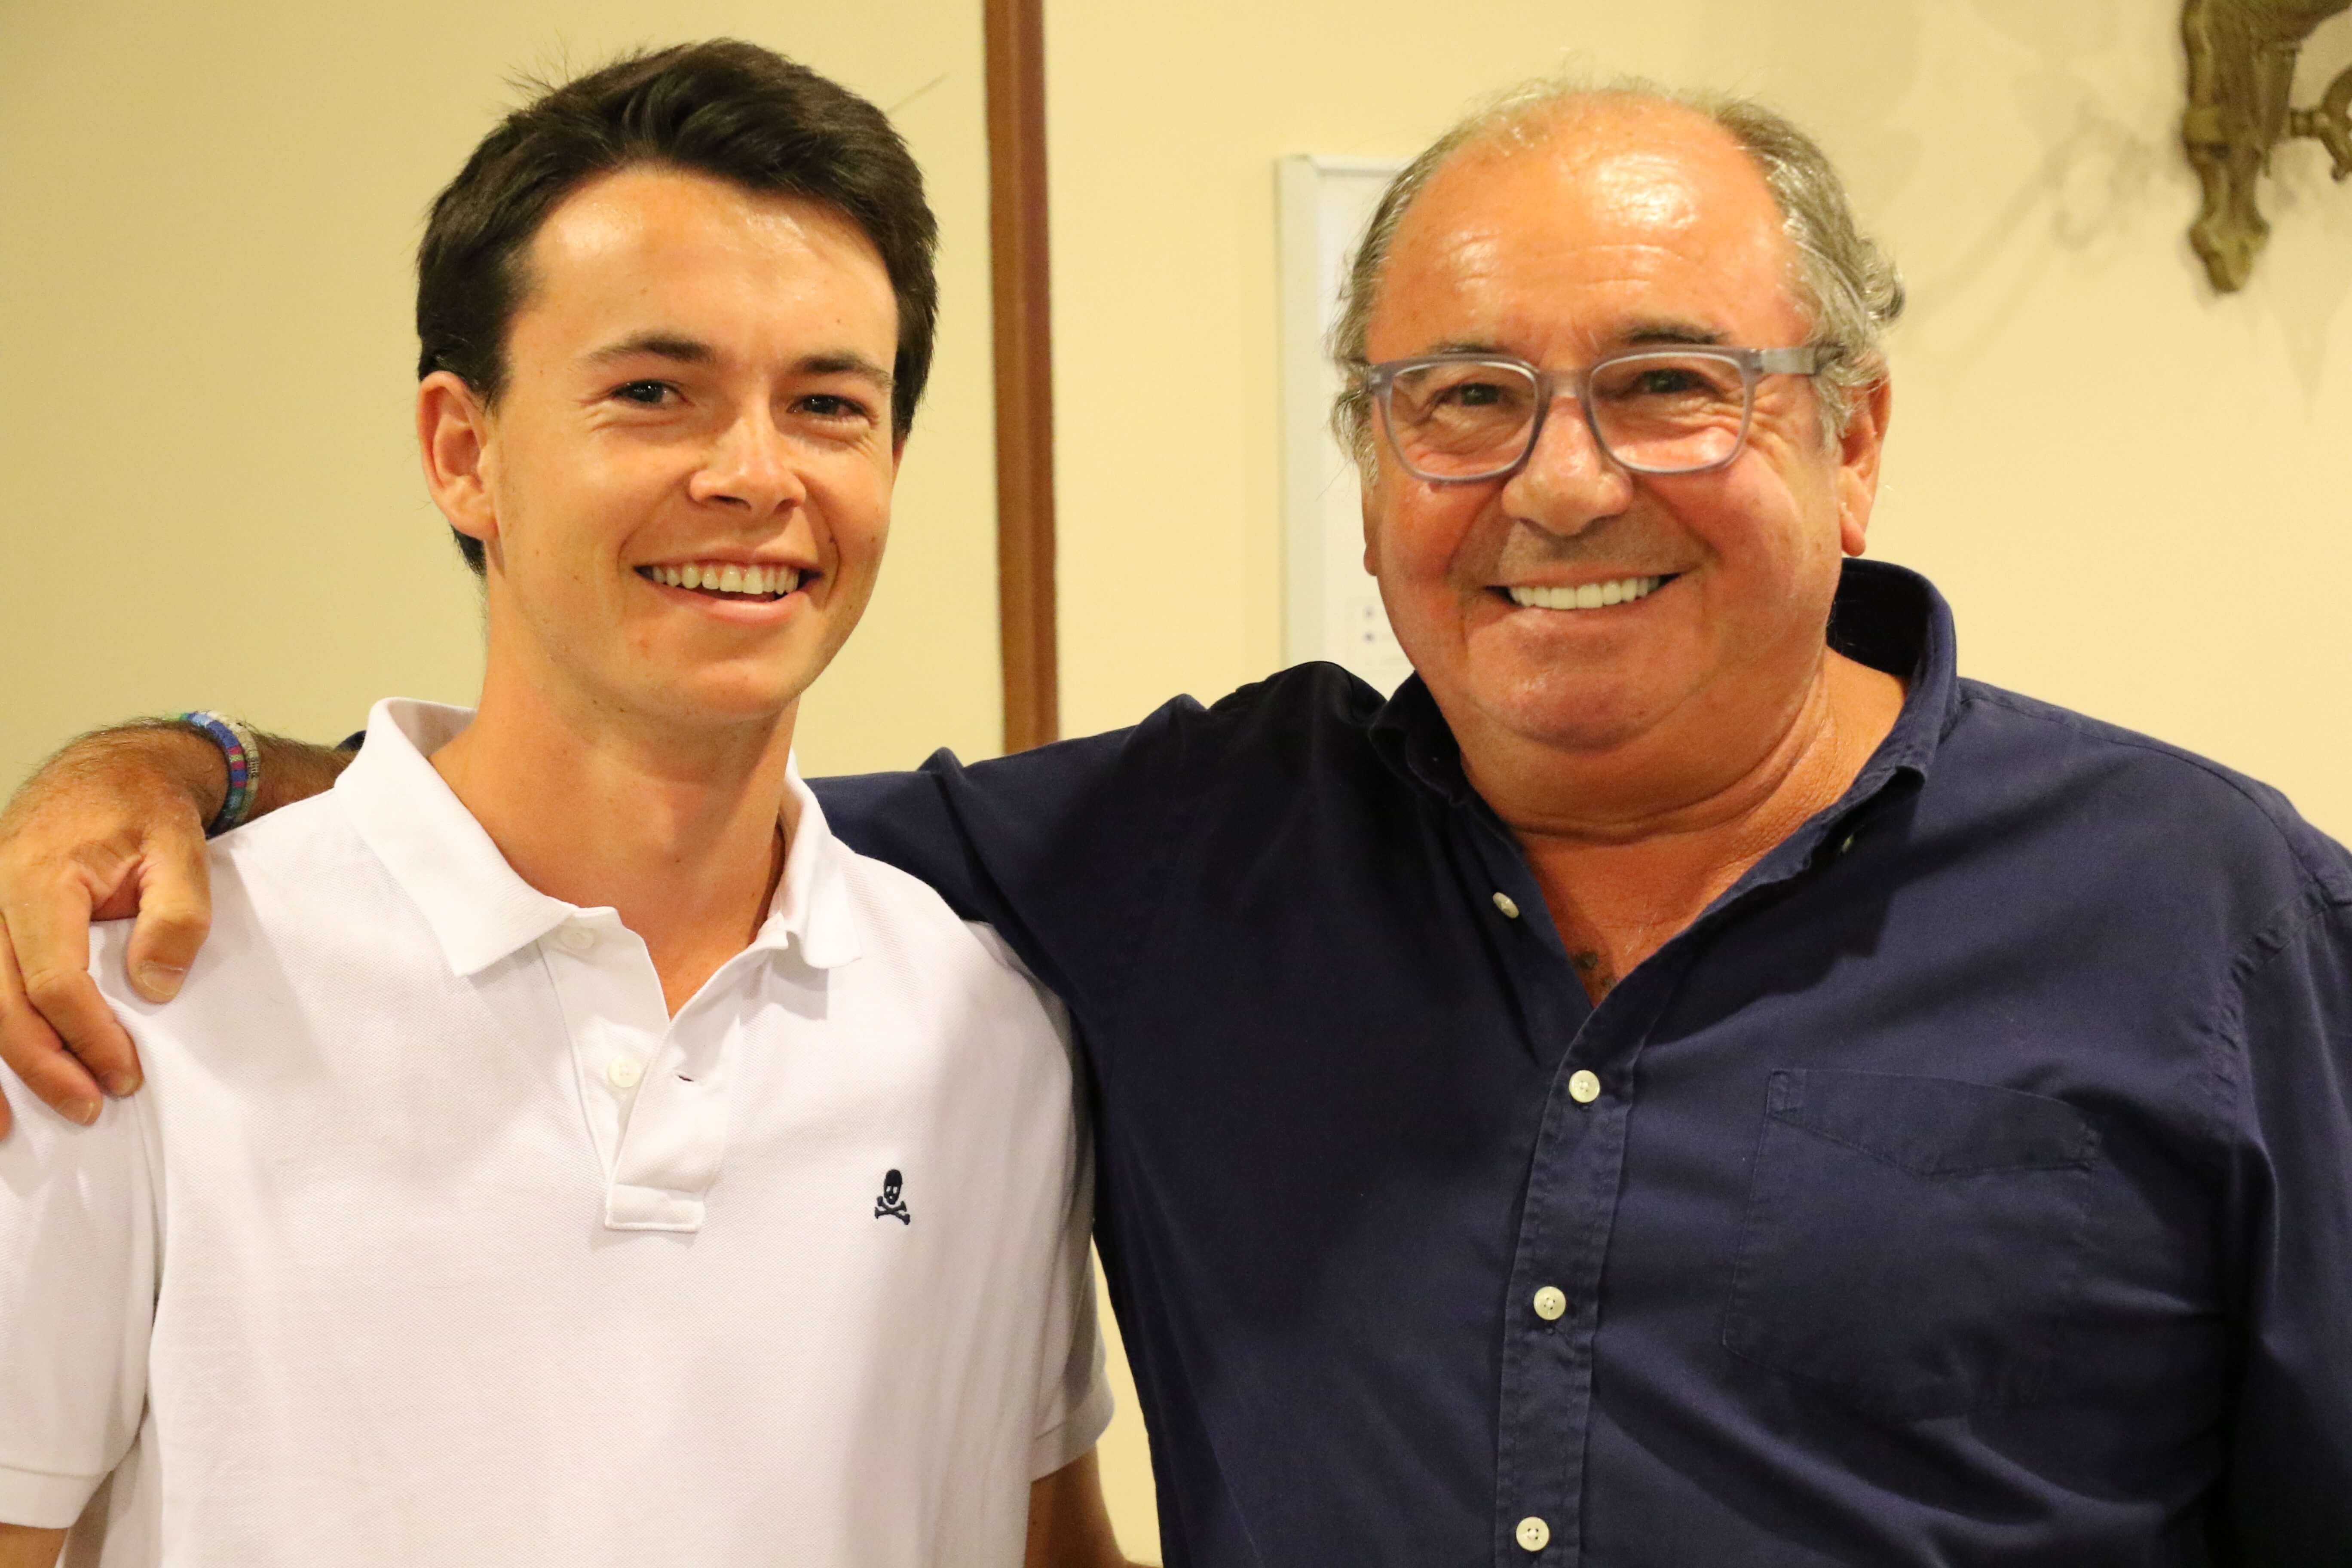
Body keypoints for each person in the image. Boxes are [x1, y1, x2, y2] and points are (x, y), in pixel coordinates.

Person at [6, 77, 2349, 1565]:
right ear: (1374, 466)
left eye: (1668, 385)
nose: (1560, 483)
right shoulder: (1170, 868)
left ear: (1852, 440)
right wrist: (177, 766)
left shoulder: (2219, 921)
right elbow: (628, 803)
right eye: (1462, 399)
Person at [0, 41, 1132, 1568]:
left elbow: (1037, 1541)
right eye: (655, 392)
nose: (755, 475)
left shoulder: (986, 1029)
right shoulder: (127, 995)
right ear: (463, 452)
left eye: (827, 405)